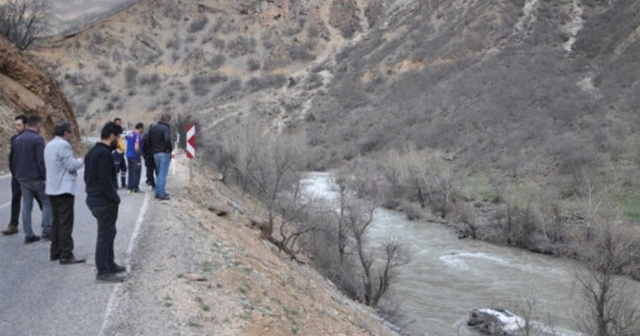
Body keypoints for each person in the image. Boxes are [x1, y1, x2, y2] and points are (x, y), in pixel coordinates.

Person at [85, 121, 127, 283]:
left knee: (110, 233)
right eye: (117, 137)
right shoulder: (102, 154)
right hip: (102, 201)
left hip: (95, 199)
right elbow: (105, 182)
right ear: (111, 136)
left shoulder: (93, 152)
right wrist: (114, 198)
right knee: (104, 235)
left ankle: (110, 263)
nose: (119, 141)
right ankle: (103, 271)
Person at [44, 122, 85, 264]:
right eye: (70, 133)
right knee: (65, 223)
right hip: (63, 189)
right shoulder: (63, 145)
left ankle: (55, 251)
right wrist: (81, 160)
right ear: (66, 133)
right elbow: (70, 165)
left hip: (52, 188)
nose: (72, 136)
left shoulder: (49, 145)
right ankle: (66, 254)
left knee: (56, 221)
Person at [12, 114, 52, 244]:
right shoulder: (37, 140)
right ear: (38, 125)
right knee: (46, 202)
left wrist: (17, 175)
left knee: (27, 205)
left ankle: (28, 235)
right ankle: (47, 232)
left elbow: (14, 159)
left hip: (22, 177)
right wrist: (46, 177)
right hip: (35, 177)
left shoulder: (18, 139)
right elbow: (41, 161)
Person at [2, 115, 28, 235]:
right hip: (16, 176)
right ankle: (13, 224)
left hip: (30, 176)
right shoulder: (14, 139)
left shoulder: (32, 138)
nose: (17, 127)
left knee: (40, 199)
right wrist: (13, 172)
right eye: (16, 125)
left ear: (25, 125)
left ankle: (49, 224)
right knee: (15, 199)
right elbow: (12, 157)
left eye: (19, 125)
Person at [150, 113, 172, 200]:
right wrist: (169, 149)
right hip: (163, 153)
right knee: (162, 174)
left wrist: (152, 149)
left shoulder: (153, 128)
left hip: (155, 153)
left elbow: (149, 140)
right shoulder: (165, 128)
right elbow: (167, 139)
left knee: (159, 173)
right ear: (167, 120)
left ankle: (158, 192)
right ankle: (161, 193)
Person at [125, 122, 144, 193]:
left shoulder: (130, 134)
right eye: (143, 128)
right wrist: (139, 154)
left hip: (128, 155)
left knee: (131, 171)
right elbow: (136, 147)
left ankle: (130, 188)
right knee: (136, 171)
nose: (143, 130)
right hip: (135, 156)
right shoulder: (137, 135)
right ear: (140, 128)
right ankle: (135, 188)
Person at [112, 117, 127, 189]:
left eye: (120, 122)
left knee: (124, 168)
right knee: (116, 170)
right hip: (117, 153)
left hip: (122, 153)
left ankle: (123, 184)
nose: (119, 124)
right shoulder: (113, 131)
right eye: (118, 122)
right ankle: (115, 184)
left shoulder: (120, 131)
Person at [142, 123, 156, 189]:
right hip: (154, 154)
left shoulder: (145, 135)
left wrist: (144, 154)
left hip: (147, 155)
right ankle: (155, 183)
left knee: (149, 169)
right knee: (157, 170)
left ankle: (151, 182)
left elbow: (143, 146)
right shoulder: (156, 135)